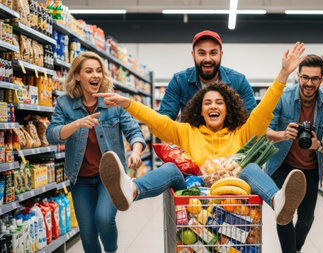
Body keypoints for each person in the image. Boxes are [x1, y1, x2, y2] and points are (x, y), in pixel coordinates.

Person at [95, 42, 308, 226]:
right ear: (200, 109)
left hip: (232, 193)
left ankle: (277, 201)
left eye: (219, 102)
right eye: (207, 103)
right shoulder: (186, 131)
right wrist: (128, 104)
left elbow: (264, 111)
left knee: (251, 167)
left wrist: (283, 74)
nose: (213, 106)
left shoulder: (243, 132)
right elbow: (156, 120)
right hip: (193, 196)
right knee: (170, 168)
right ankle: (131, 190)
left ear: (228, 108)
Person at [46, 52, 146, 253]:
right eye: (89, 71)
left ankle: (111, 250)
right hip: (80, 179)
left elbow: (134, 131)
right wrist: (76, 124)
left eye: (99, 71)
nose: (96, 75)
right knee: (88, 234)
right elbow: (52, 135)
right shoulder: (65, 104)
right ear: (77, 75)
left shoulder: (113, 102)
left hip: (110, 178)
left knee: (103, 219)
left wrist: (136, 152)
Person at [265, 55, 323, 253]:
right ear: (297, 76)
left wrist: (319, 145)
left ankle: (295, 248)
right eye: (305, 77)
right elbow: (266, 131)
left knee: (307, 218)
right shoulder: (283, 96)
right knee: (284, 213)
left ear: (322, 78)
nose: (309, 83)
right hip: (283, 165)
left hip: (310, 168)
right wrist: (282, 134)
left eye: (314, 78)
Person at [159, 30, 257, 120]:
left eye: (213, 53)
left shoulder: (239, 81)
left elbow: (252, 120)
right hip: (191, 139)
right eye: (202, 53)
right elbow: (164, 119)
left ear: (221, 54)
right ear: (193, 55)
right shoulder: (179, 81)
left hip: (229, 138)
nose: (207, 59)